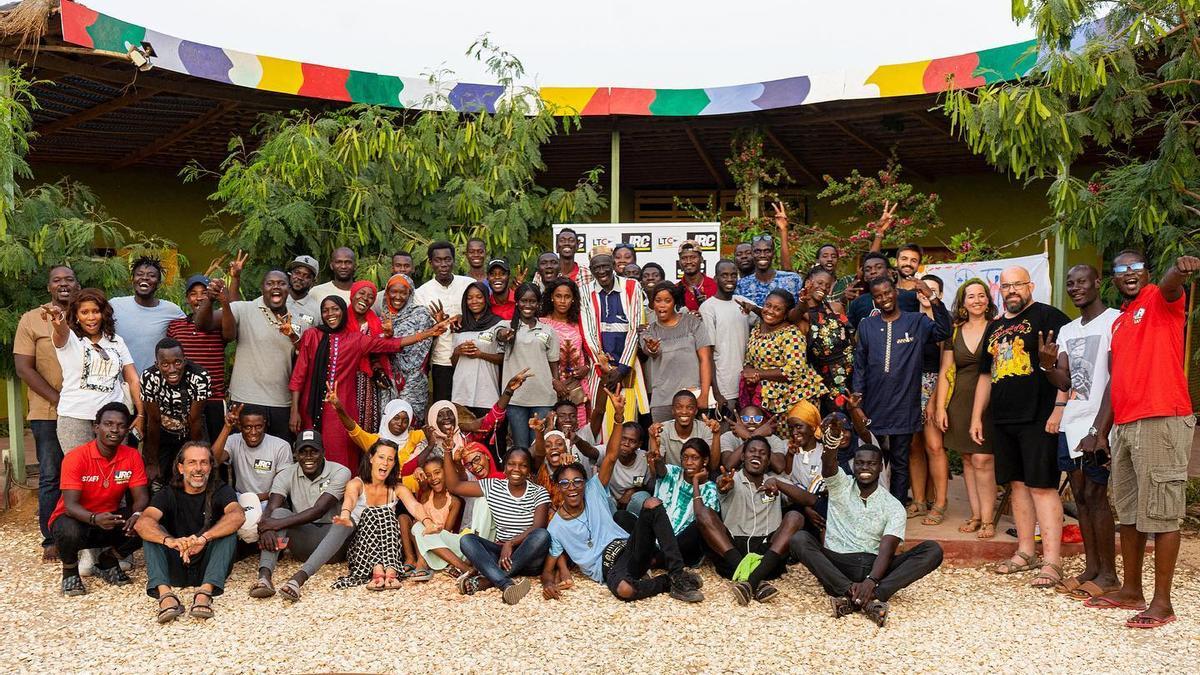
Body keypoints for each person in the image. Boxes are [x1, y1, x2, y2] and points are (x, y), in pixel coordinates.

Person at [1083, 251, 1196, 629]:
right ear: (1112, 279)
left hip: (1162, 417)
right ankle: (1132, 590)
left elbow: (1170, 284)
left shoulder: (1159, 299)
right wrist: (1101, 430)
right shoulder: (1120, 322)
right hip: (1126, 425)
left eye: (1135, 268)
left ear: (1146, 272)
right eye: (1120, 270)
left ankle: (1162, 603)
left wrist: (1177, 270)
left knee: (1162, 512)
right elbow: (1117, 379)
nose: (1129, 274)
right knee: (1129, 512)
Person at [542, 392, 704, 603]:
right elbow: (547, 569)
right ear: (559, 487)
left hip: (628, 546)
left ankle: (678, 574)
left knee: (652, 503)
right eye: (565, 483)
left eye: (578, 481)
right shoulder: (556, 526)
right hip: (607, 564)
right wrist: (548, 583)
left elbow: (610, 456)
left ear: (585, 483)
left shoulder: (593, 491)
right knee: (625, 590)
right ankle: (667, 582)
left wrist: (619, 417)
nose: (572, 488)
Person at [969, 265, 1069, 587]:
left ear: (1030, 286)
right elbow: (986, 374)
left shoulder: (1049, 317)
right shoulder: (995, 326)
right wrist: (976, 416)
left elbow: (1067, 365)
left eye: (1018, 285)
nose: (1011, 291)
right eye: (1006, 286)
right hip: (1003, 418)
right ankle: (1025, 551)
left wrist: (1060, 409)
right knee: (1016, 485)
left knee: (1042, 485)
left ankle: (1052, 561)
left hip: (1039, 417)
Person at [791, 417, 944, 627]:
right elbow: (828, 466)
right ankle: (860, 596)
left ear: (880, 468)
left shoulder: (893, 505)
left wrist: (872, 580)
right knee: (800, 539)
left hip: (875, 564)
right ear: (854, 465)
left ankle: (865, 596)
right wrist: (832, 441)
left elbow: (887, 550)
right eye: (860, 463)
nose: (865, 467)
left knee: (932, 550)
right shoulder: (840, 486)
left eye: (871, 463)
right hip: (839, 562)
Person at [1039, 264, 1120, 600]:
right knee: (1082, 499)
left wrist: (1099, 430)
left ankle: (1110, 576)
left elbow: (1118, 378)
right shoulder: (1069, 330)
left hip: (1099, 423)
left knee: (1098, 499)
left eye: (1082, 281)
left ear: (1097, 283)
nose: (1075, 288)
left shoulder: (1115, 320)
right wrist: (1046, 366)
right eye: (1070, 284)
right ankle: (1091, 568)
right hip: (1071, 424)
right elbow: (1065, 380)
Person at [290, 296, 442, 470]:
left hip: (341, 407)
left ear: (343, 311)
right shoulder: (312, 335)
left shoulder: (356, 339)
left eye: (335, 309)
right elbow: (298, 375)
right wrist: (294, 411)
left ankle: (341, 493)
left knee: (341, 453)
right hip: (310, 407)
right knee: (311, 449)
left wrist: (428, 333)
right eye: (325, 310)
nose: (330, 314)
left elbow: (391, 344)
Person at [852, 277, 950, 506]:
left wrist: (932, 297)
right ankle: (870, 505)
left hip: (904, 404)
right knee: (871, 456)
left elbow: (944, 331)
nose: (884, 299)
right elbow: (860, 365)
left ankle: (895, 509)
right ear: (873, 299)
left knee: (900, 460)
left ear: (895, 292)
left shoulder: (916, 321)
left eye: (887, 293)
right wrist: (857, 401)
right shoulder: (866, 325)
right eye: (878, 296)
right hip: (874, 404)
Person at [134, 442, 245, 623]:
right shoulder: (167, 493)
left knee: (228, 532)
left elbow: (238, 516)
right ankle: (166, 595)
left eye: (204, 463)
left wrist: (203, 539)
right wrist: (170, 541)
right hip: (175, 563)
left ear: (210, 466)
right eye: (192, 462)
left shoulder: (221, 490)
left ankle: (205, 593)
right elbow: (142, 523)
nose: (198, 469)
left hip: (208, 566)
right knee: (152, 533)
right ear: (181, 467)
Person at [693, 437, 809, 604]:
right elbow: (722, 483)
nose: (757, 455)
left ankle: (749, 580)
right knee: (704, 513)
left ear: (768, 461)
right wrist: (722, 485)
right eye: (752, 451)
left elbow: (810, 500)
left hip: (767, 555)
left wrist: (778, 484)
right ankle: (755, 580)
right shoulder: (730, 479)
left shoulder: (774, 481)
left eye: (763, 453)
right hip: (732, 552)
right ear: (742, 456)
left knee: (795, 517)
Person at [49, 402, 149, 596]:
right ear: (96, 427)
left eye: (121, 425)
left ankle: (108, 560)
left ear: (126, 430)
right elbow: (70, 506)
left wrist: (137, 514)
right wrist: (95, 518)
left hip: (108, 519)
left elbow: (141, 496)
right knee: (68, 529)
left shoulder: (132, 456)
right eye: (108, 424)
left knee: (148, 519)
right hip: (76, 520)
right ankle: (70, 571)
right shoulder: (76, 457)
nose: (114, 429)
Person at [15, 264, 78, 560]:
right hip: (48, 411)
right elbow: (24, 368)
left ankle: (83, 535)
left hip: (83, 411)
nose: (63, 284)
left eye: (69, 279)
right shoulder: (31, 319)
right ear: (49, 287)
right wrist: (58, 399)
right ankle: (51, 537)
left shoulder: (86, 313)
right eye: (57, 280)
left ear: (77, 285)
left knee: (83, 474)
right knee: (51, 474)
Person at [250, 430, 352, 601]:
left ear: (323, 452)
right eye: (303, 452)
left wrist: (273, 524)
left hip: (332, 547)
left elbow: (319, 510)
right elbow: (271, 509)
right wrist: (266, 525)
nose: (308, 457)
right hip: (302, 544)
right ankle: (264, 578)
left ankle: (297, 580)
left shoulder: (341, 472)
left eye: (314, 451)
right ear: (295, 454)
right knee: (278, 513)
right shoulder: (286, 474)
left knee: (345, 522)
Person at [445, 447, 552, 604]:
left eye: (522, 465)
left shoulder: (539, 492)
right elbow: (454, 486)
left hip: (530, 557)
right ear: (505, 468)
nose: (516, 469)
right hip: (501, 555)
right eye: (511, 464)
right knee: (467, 540)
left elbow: (538, 526)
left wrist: (511, 542)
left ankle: (489, 580)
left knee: (542, 536)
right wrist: (447, 452)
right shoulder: (493, 486)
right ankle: (506, 584)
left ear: (529, 469)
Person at [934, 278, 998, 538]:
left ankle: (989, 519)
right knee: (968, 459)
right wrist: (940, 407)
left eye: (981, 295)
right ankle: (975, 515)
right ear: (962, 302)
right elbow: (946, 370)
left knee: (984, 458)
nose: (977, 300)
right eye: (971, 296)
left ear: (988, 300)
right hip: (959, 399)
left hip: (990, 401)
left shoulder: (997, 328)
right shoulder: (955, 331)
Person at [45, 288, 144, 453]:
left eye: (95, 311)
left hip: (113, 420)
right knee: (81, 472)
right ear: (76, 315)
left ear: (103, 313)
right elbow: (61, 331)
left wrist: (141, 414)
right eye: (84, 312)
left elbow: (133, 379)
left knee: (114, 473)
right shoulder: (69, 339)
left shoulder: (116, 341)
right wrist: (58, 318)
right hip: (75, 418)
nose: (91, 317)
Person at [211, 270, 304, 441]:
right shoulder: (244, 309)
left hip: (281, 404)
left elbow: (304, 361)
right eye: (270, 283)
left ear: (289, 289)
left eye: (282, 283)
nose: (276, 286)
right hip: (245, 400)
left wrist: (292, 335)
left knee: (280, 457)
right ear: (262, 288)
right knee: (241, 456)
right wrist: (217, 298)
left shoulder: (300, 321)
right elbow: (210, 325)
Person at [330, 439, 428, 590]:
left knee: (387, 513)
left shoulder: (397, 488)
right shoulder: (356, 483)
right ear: (371, 459)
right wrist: (345, 515)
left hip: (390, 551)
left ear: (394, 464)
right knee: (371, 512)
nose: (385, 463)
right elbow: (349, 498)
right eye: (381, 457)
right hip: (363, 552)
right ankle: (377, 570)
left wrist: (428, 523)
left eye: (390, 459)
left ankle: (390, 572)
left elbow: (415, 506)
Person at [579, 251, 648, 428]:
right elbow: (588, 332)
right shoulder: (585, 291)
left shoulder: (632, 287)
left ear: (613, 266)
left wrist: (622, 369)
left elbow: (635, 329)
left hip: (628, 369)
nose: (602, 271)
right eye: (596, 268)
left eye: (605, 266)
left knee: (627, 421)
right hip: (600, 371)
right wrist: (606, 368)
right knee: (599, 422)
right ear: (591, 270)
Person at [211, 403, 293, 543]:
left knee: (273, 518)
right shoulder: (234, 440)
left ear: (265, 424)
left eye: (258, 426)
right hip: (240, 499)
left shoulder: (280, 446)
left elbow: (284, 487)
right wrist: (227, 427)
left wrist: (255, 499)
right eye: (248, 427)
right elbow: (212, 461)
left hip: (271, 501)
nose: (253, 432)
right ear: (240, 426)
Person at [741, 289, 825, 415]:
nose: (770, 311)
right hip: (769, 397)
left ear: (786, 314)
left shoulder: (791, 335)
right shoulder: (758, 329)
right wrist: (748, 372)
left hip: (794, 398)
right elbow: (750, 359)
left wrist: (758, 373)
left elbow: (794, 370)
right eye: (768, 305)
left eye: (777, 309)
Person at [497, 283, 561, 449]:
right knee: (520, 445)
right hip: (516, 397)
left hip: (543, 396)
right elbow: (497, 335)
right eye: (523, 301)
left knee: (538, 445)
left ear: (538, 303)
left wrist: (557, 382)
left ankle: (538, 476)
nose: (528, 305)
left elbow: (553, 363)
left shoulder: (548, 330)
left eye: (532, 301)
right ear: (517, 302)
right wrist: (504, 335)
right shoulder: (506, 326)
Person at [166, 274, 229, 442]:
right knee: (185, 449)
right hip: (183, 398)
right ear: (187, 299)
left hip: (213, 399)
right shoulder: (176, 326)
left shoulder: (219, 325)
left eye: (204, 293)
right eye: (193, 293)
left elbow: (232, 315)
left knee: (216, 451)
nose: (199, 297)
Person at [907, 275, 949, 524]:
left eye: (932, 289)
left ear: (939, 295)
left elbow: (946, 365)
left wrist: (935, 398)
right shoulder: (911, 320)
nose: (924, 292)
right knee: (914, 446)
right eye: (921, 288)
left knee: (934, 446)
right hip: (909, 387)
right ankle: (919, 500)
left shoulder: (942, 323)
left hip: (934, 385)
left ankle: (941, 502)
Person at [141, 338, 210, 485]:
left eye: (177, 362)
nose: (172, 369)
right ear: (157, 364)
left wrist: (195, 455)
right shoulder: (149, 377)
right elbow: (153, 420)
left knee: (192, 473)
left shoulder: (200, 377)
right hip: (160, 430)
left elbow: (195, 420)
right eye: (165, 364)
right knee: (156, 476)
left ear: (185, 361)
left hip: (191, 429)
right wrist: (152, 460)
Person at [641, 281, 713, 421]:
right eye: (658, 300)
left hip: (692, 397)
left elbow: (705, 359)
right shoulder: (649, 331)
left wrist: (704, 394)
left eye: (667, 301)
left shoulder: (692, 322)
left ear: (674, 302)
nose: (662, 305)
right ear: (652, 303)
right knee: (661, 440)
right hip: (662, 401)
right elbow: (649, 350)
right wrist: (652, 349)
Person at [414, 240, 475, 404]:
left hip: (470, 356)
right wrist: (437, 324)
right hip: (442, 360)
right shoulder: (421, 293)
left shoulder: (468, 284)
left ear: (454, 260)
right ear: (430, 262)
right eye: (438, 260)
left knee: (469, 405)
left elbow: (481, 316)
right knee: (444, 407)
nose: (443, 264)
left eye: (447, 259)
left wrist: (464, 318)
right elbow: (420, 333)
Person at [109, 256, 186, 374]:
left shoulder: (172, 310)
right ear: (133, 279)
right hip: (120, 385)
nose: (144, 278)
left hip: (154, 383)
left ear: (158, 283)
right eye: (139, 274)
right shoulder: (114, 305)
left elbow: (191, 331)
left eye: (152, 275)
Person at [793, 267, 853, 410]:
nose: (824, 288)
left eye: (827, 285)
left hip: (852, 372)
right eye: (819, 283)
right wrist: (802, 300)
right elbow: (792, 316)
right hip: (826, 378)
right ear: (808, 282)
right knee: (834, 418)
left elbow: (850, 336)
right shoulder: (802, 315)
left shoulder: (836, 307)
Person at [699, 259, 754, 414]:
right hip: (724, 386)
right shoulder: (708, 307)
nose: (729, 279)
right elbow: (708, 353)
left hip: (747, 383)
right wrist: (716, 391)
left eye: (733, 275)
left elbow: (769, 318)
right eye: (724, 275)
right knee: (725, 434)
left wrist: (754, 309)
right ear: (716, 279)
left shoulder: (742, 302)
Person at [380, 273, 437, 421]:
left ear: (410, 294)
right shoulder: (382, 318)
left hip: (414, 380)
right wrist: (387, 336)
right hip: (387, 382)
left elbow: (422, 351)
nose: (398, 296)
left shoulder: (421, 315)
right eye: (394, 292)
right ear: (387, 292)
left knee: (408, 422)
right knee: (388, 422)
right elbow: (377, 348)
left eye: (403, 292)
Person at [539, 278, 592, 427]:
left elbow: (589, 351)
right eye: (558, 296)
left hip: (575, 387)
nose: (563, 301)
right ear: (551, 297)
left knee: (577, 428)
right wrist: (554, 381)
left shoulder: (580, 324)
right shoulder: (542, 324)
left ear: (573, 300)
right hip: (549, 387)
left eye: (567, 296)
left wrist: (586, 368)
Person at [409, 456, 470, 578]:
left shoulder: (454, 501)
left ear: (446, 472)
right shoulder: (426, 496)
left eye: (437, 473)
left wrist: (431, 529)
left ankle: (422, 562)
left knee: (418, 527)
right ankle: (421, 560)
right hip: (429, 545)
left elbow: (446, 532)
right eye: (429, 475)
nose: (433, 478)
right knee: (414, 524)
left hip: (446, 544)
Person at [451, 281, 505, 418]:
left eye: (479, 297)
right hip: (461, 392)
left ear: (486, 299)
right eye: (469, 298)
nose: (474, 301)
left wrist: (480, 354)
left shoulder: (498, 323)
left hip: (487, 392)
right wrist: (458, 350)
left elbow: (503, 359)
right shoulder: (459, 325)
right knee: (463, 436)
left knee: (486, 435)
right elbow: (453, 363)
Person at [734, 206, 803, 305]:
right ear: (752, 253)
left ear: (773, 253)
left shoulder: (791, 280)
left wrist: (783, 230)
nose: (762, 255)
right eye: (758, 251)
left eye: (767, 251)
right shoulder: (742, 285)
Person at [846, 252, 920, 330]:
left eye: (879, 267)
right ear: (864, 277)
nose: (873, 271)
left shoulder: (910, 297)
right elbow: (850, 331)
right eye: (868, 270)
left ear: (889, 272)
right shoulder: (858, 303)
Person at [649, 390, 720, 468]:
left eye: (689, 408)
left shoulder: (705, 429)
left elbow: (713, 465)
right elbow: (656, 469)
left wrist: (716, 434)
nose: (684, 412)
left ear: (696, 411)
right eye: (679, 407)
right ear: (673, 410)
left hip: (698, 476)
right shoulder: (662, 430)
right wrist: (653, 439)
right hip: (671, 478)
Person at [677, 240, 717, 311]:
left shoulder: (715, 286)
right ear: (679, 262)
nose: (688, 261)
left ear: (701, 259)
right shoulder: (676, 289)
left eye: (693, 257)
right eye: (684, 258)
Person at [284, 255, 323, 328]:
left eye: (306, 275)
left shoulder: (317, 311)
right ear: (291, 274)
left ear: (313, 281)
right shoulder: (275, 300)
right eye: (297, 273)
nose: (300, 278)